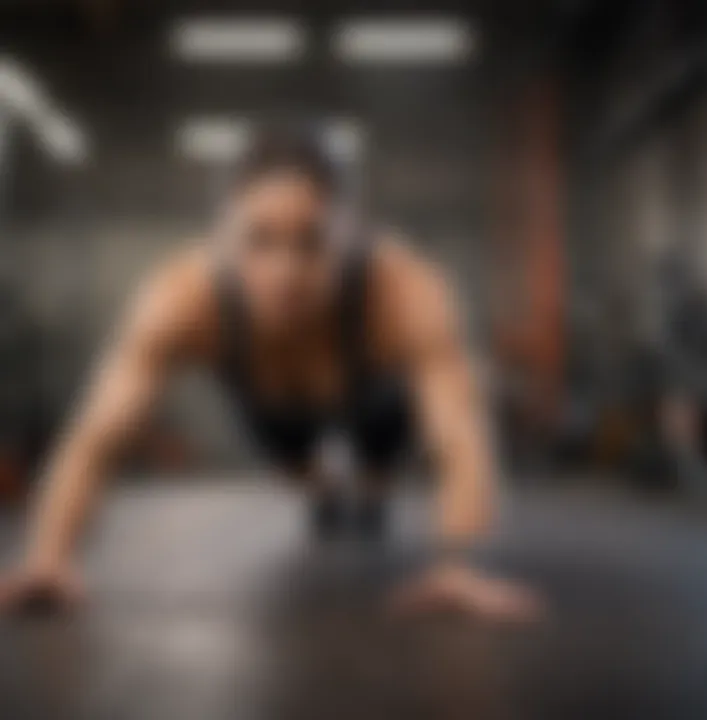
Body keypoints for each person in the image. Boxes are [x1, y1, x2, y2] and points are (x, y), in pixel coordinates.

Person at [0, 127, 540, 620]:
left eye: (310, 244)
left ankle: (368, 478)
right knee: (300, 473)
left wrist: (459, 563)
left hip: (372, 402)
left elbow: (458, 434)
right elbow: (100, 433)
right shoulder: (181, 296)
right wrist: (49, 558)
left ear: (347, 236)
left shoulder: (404, 289)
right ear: (226, 235)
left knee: (387, 450)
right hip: (271, 411)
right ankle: (321, 486)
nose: (284, 274)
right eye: (259, 241)